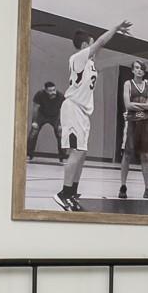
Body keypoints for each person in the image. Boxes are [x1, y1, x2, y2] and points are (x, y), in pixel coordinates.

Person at [55, 19, 132, 212]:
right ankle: (63, 193)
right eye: (91, 43)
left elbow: (99, 47)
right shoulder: (78, 57)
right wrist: (115, 28)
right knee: (76, 152)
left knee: (82, 154)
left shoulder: (90, 63)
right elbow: (101, 42)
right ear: (84, 46)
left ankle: (72, 192)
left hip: (82, 112)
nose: (95, 46)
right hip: (73, 108)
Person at [116, 60, 148, 199]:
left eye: (141, 68)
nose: (139, 70)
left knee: (145, 155)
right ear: (133, 70)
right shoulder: (128, 84)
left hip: (144, 123)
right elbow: (128, 105)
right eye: (136, 68)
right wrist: (143, 105)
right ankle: (123, 186)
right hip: (131, 123)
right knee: (127, 154)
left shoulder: (147, 85)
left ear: (144, 71)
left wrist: (139, 106)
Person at [27, 81, 65, 161]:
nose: (52, 92)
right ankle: (29, 155)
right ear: (45, 90)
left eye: (54, 90)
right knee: (33, 132)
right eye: (50, 91)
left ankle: (62, 157)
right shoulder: (39, 95)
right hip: (42, 115)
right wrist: (34, 121)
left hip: (55, 116)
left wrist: (61, 124)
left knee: (61, 134)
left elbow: (64, 111)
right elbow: (35, 109)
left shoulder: (60, 96)